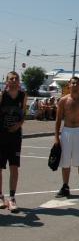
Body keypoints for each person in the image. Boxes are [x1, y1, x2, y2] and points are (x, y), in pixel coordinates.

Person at [54, 76, 79, 197]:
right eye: (73, 83)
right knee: (65, 160)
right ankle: (65, 186)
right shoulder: (63, 100)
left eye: (77, 83)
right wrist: (56, 136)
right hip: (67, 132)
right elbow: (58, 119)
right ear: (69, 85)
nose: (75, 85)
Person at [0, 71, 27, 212]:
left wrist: (18, 125)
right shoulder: (2, 95)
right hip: (1, 136)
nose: (15, 80)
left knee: (14, 167)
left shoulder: (23, 96)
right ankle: (0, 197)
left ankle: (12, 198)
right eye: (12, 78)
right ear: (7, 82)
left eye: (17, 78)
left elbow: (23, 115)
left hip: (15, 137)